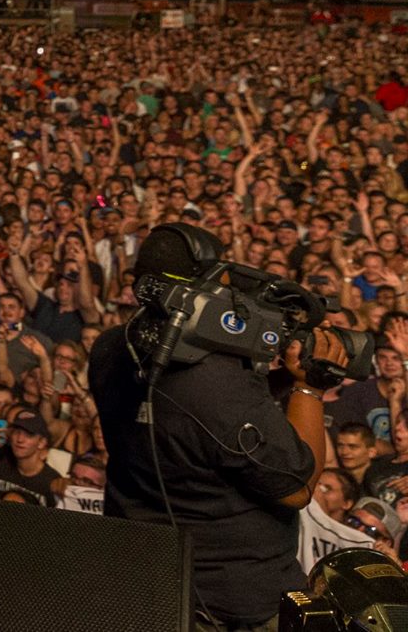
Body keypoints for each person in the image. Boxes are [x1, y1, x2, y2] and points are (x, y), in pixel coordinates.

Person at [90, 224, 347, 632]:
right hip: (232, 604)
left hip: (145, 585)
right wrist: (309, 386)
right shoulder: (217, 383)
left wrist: (273, 383)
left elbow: (199, 424)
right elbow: (296, 486)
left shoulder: (109, 348)